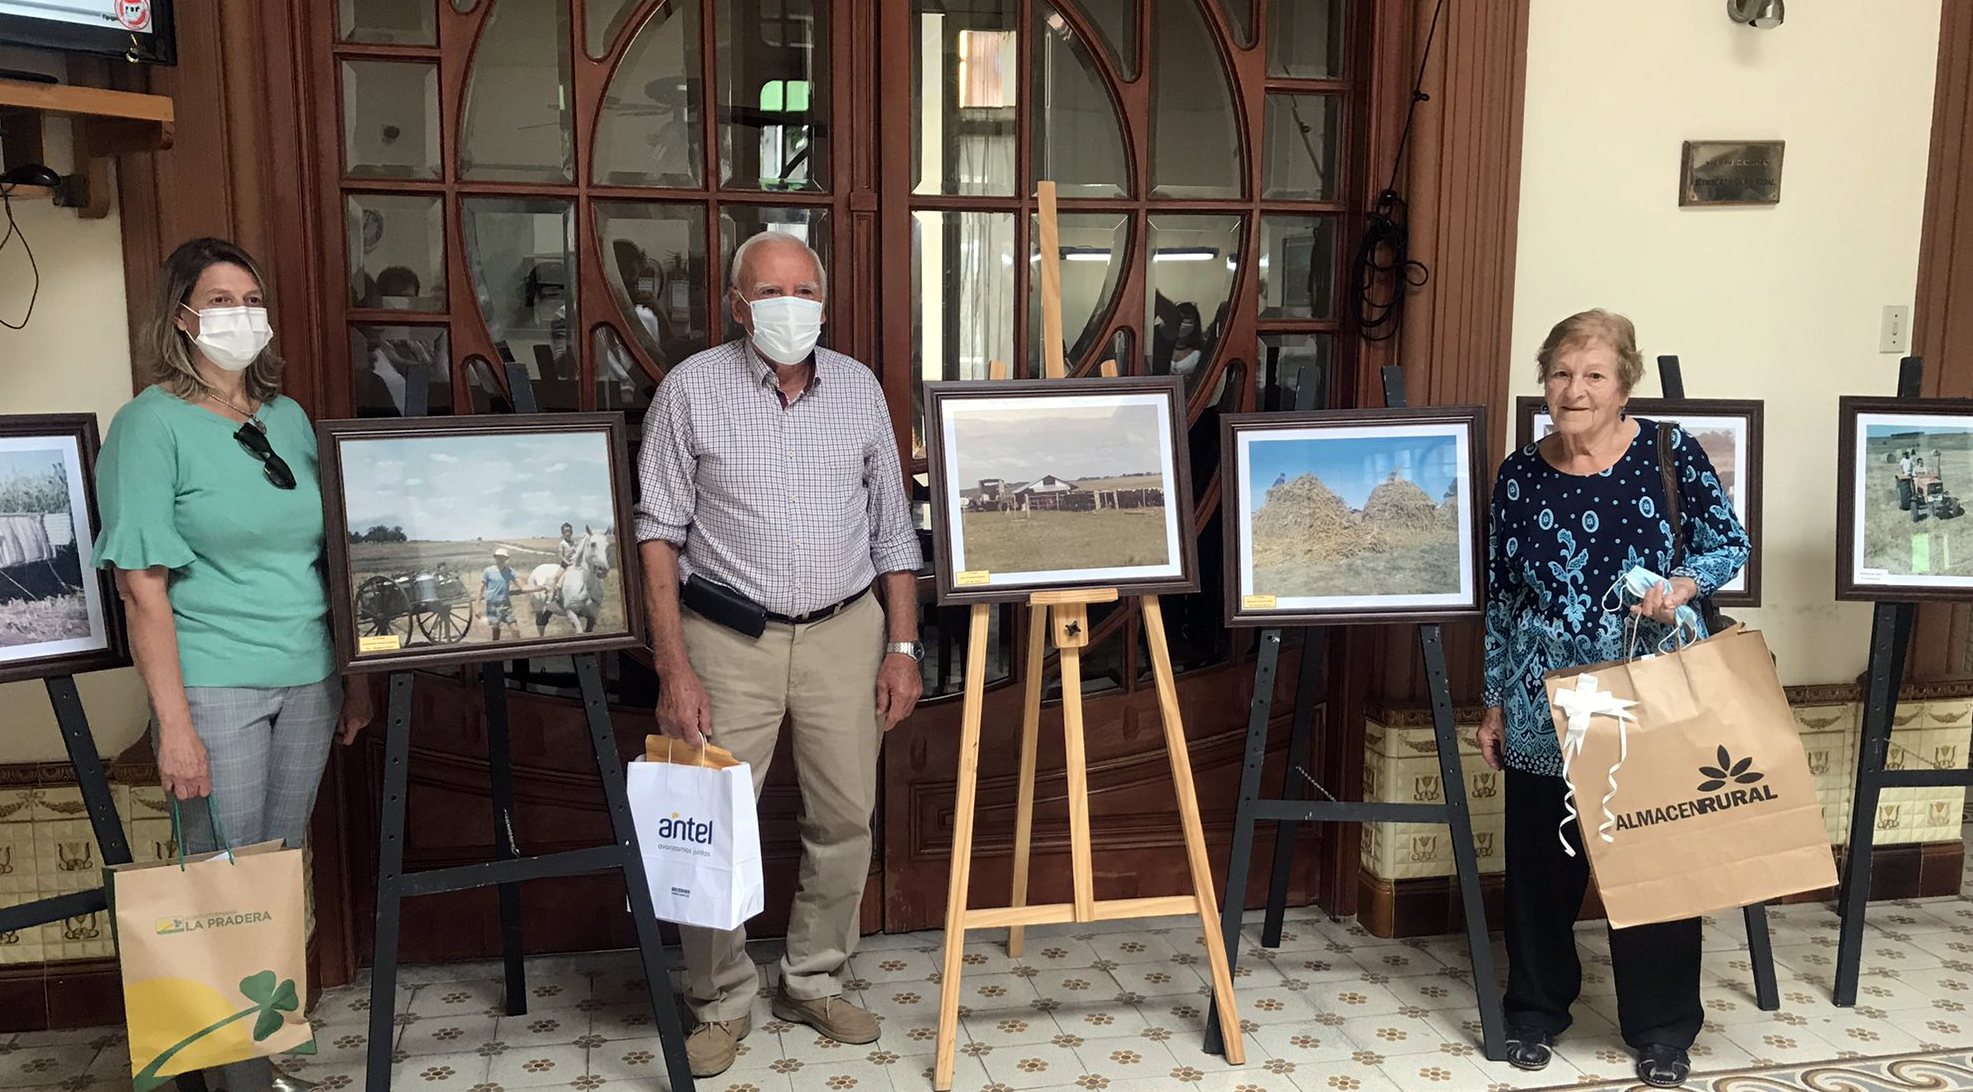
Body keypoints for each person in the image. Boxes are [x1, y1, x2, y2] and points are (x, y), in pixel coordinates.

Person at [635, 232, 924, 1078]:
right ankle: (719, 997)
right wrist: (674, 666)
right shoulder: (691, 391)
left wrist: (902, 645)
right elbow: (657, 535)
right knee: (713, 825)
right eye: (769, 292)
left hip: (844, 633)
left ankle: (814, 975)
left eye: (803, 291)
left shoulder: (859, 391)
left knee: (844, 818)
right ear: (735, 304)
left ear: (824, 301)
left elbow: (892, 533)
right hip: (726, 641)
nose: (788, 306)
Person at [94, 237, 375, 1092]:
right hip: (213, 682)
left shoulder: (283, 417)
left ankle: (257, 1053)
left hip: (308, 675)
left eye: (250, 297)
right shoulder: (149, 424)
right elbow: (142, 589)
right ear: (180, 316)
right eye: (219, 300)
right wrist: (172, 727)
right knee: (219, 873)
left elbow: (330, 554)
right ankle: (232, 1075)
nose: (238, 315)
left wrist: (353, 675)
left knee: (274, 865)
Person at [1477, 309, 1749, 1089]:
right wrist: (1493, 701)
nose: (1574, 389)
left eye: (1593, 374)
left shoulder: (1666, 450)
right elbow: (1502, 599)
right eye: (1560, 373)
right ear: (1543, 382)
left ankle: (1661, 1029)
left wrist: (1682, 586)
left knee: (1653, 856)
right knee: (1541, 864)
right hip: (1539, 698)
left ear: (1623, 384)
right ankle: (1533, 1010)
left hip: (1645, 692)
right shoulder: (1518, 473)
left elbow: (1726, 540)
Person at [481, 548, 535, 641]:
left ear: (506, 559)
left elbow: (522, 587)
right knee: (495, 630)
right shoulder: (488, 571)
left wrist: (540, 587)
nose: (500, 559)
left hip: (505, 604)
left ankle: (518, 650)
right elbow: (481, 587)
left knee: (515, 630)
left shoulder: (510, 571)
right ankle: (495, 651)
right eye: (499, 557)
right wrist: (477, 605)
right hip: (492, 604)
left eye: (503, 558)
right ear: (495, 558)